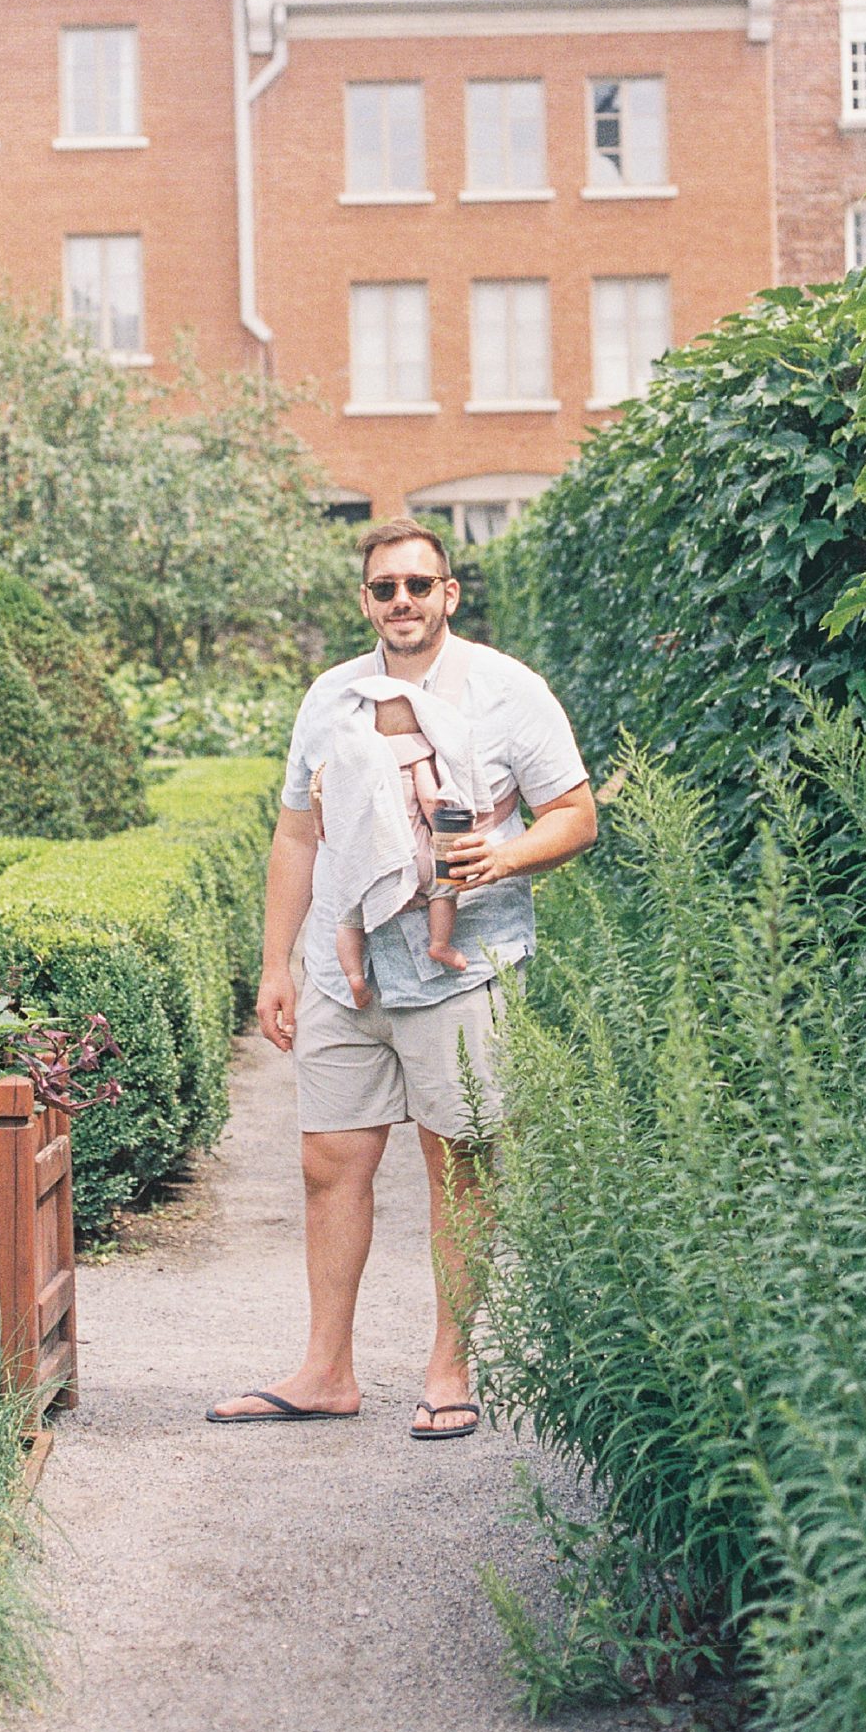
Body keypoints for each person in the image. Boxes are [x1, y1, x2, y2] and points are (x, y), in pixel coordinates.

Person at [208, 516, 596, 1439]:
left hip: (456, 974)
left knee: (456, 1163)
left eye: (419, 585)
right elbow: (297, 832)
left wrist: (499, 861)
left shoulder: (508, 691)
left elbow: (575, 815)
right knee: (327, 1164)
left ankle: (448, 1367)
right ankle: (325, 1372)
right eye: (384, 588)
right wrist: (275, 966)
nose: (402, 602)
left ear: (449, 593)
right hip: (347, 978)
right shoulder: (331, 695)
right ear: (365, 600)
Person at [332, 686, 472, 1004]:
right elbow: (431, 802)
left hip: (364, 861)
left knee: (348, 917)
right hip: (412, 855)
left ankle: (354, 976)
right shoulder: (417, 759)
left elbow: (328, 812)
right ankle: (439, 944)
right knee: (444, 888)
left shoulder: (351, 764)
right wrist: (444, 829)